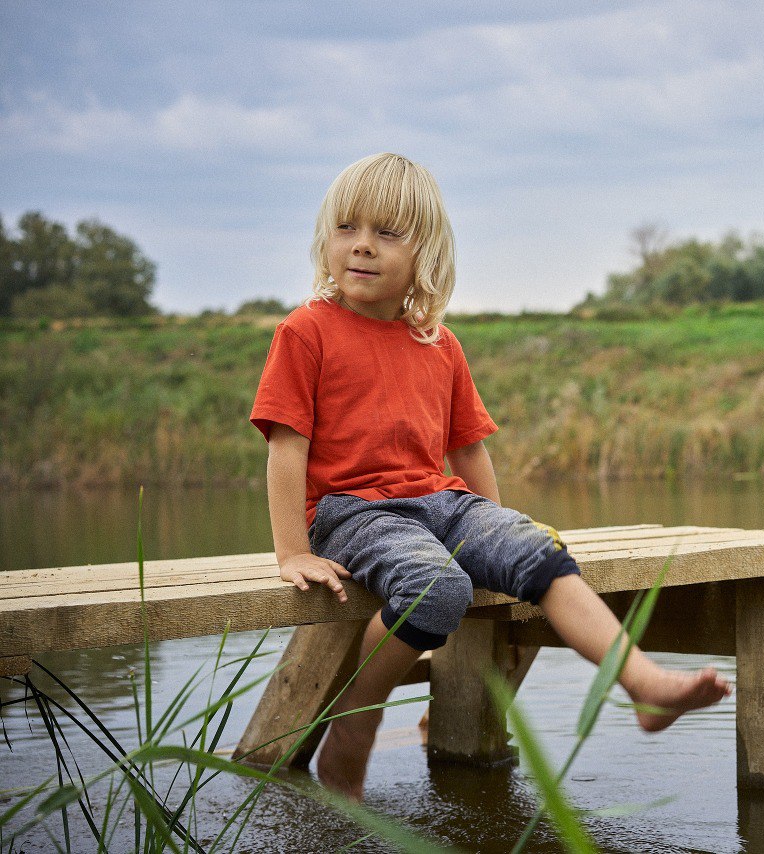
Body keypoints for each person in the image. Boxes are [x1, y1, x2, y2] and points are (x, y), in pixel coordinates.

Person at [250, 152, 730, 801]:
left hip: (440, 504)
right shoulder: (306, 331)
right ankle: (356, 719)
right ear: (326, 238)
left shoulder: (436, 343)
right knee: (434, 588)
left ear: (425, 252)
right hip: (350, 510)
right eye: (347, 228)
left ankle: (641, 683)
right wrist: (291, 553)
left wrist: (497, 543)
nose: (361, 246)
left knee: (540, 549)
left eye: (386, 233)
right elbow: (286, 448)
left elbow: (469, 451)